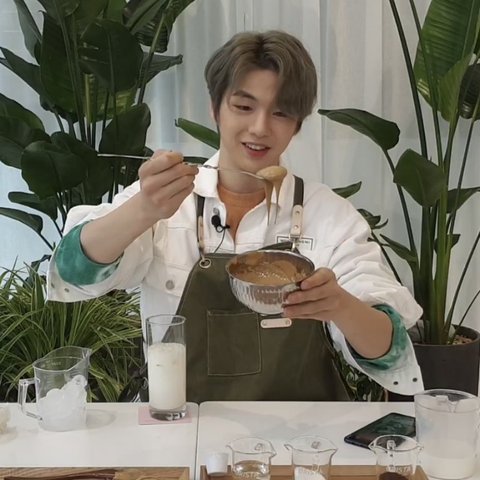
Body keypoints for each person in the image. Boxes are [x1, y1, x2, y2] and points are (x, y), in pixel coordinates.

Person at [47, 30, 423, 402]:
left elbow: (389, 352)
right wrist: (142, 210)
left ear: (297, 124)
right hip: (181, 425)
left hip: (302, 432)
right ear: (215, 108)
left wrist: (339, 304)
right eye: (244, 107)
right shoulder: (163, 201)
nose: (260, 128)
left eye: (281, 112)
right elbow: (73, 271)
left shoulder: (329, 216)